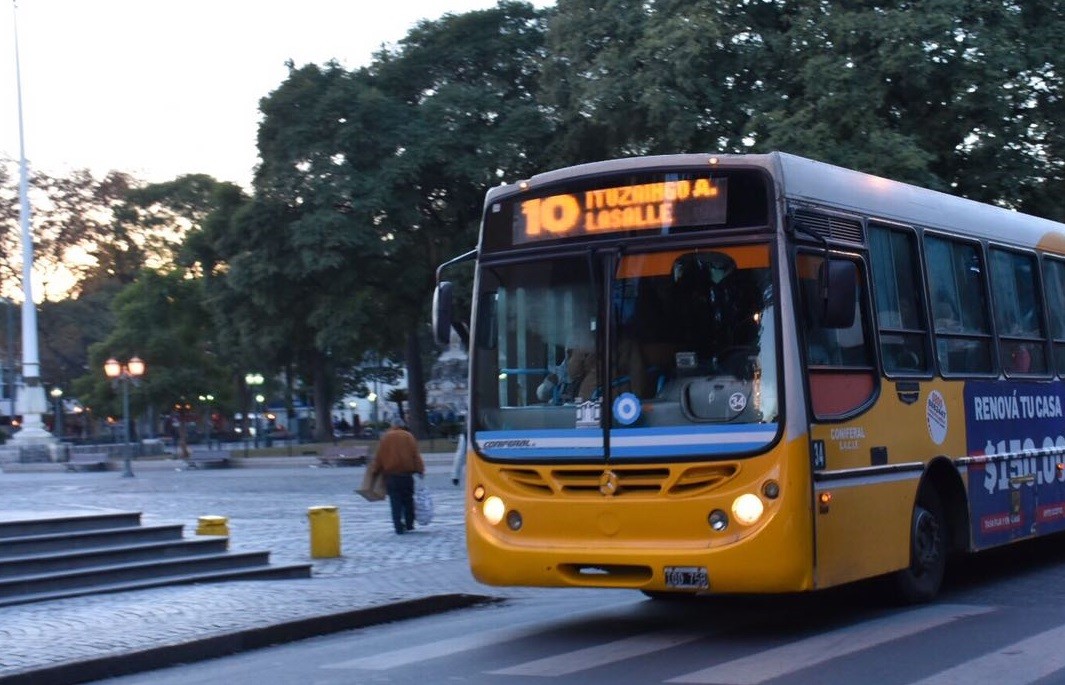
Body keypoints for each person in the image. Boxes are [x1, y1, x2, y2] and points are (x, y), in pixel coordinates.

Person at [367, 418, 425, 534]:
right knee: (408, 500)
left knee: (395, 502)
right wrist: (420, 470)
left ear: (392, 425)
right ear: (403, 426)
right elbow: (415, 455)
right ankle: (409, 523)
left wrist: (374, 471)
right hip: (407, 475)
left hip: (391, 476)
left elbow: (379, 457)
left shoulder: (386, 437)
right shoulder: (408, 437)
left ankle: (398, 526)